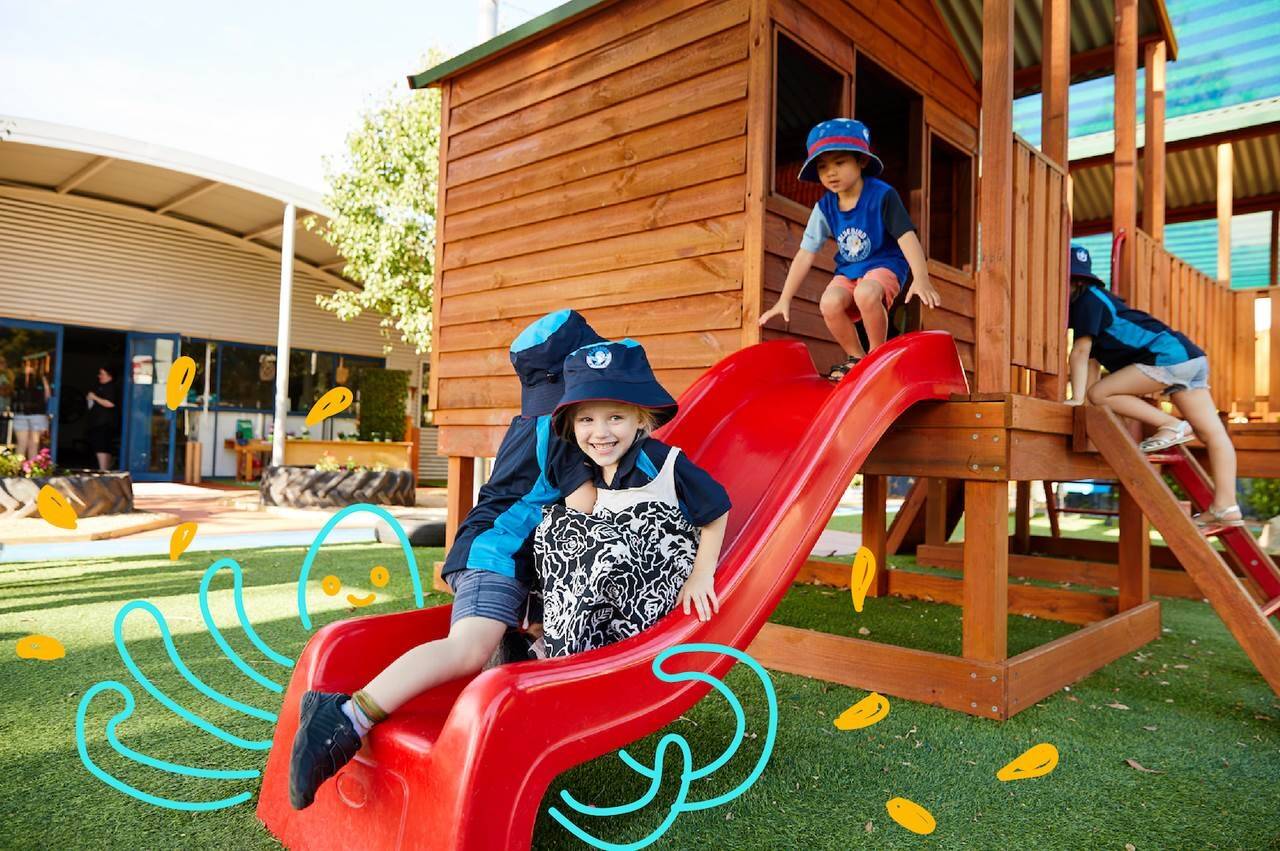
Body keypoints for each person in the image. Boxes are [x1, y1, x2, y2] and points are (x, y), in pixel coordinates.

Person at [288, 309, 603, 811]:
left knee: (528, 636)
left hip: (502, 554)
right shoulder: (564, 433)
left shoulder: (531, 423)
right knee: (467, 649)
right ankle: (346, 718)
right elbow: (588, 510)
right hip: (496, 553)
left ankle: (507, 731)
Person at [534, 339, 731, 657]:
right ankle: (562, 642)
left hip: (658, 584)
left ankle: (561, 653)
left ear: (640, 419)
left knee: (569, 529)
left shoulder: (660, 460)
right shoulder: (595, 470)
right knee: (554, 527)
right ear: (572, 425)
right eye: (586, 420)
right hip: (618, 597)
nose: (600, 433)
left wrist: (701, 574)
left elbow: (716, 508)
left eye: (615, 418)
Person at [1066, 244, 1242, 529]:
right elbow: (1093, 361)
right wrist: (1080, 398)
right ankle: (1227, 506)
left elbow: (1080, 352)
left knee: (1098, 394)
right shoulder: (1099, 300)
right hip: (1191, 357)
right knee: (1213, 434)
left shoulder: (1086, 302)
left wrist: (1077, 400)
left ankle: (1170, 424)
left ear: (1075, 281)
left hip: (1167, 356)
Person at [759, 118, 941, 380]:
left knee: (866, 293)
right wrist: (784, 298)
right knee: (829, 302)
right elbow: (805, 254)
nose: (830, 172)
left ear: (862, 162)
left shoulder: (882, 196)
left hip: (884, 264)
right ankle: (857, 358)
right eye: (822, 167)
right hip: (849, 271)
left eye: (840, 162)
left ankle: (877, 354)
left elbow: (906, 236)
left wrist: (921, 277)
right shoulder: (824, 207)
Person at [12, 364, 51, 461]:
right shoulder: (40, 379)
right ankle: (30, 470)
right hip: (37, 414)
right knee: (33, 443)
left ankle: (17, 470)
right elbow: (47, 396)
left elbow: (12, 394)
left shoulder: (17, 379)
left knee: (23, 444)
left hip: (22, 414)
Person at [86, 366, 118, 470]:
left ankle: (103, 470)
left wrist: (94, 397)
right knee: (100, 446)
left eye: (102, 374)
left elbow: (110, 403)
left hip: (105, 423)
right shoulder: (99, 386)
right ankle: (104, 469)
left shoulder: (111, 387)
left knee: (102, 447)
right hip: (97, 422)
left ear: (109, 376)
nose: (99, 376)